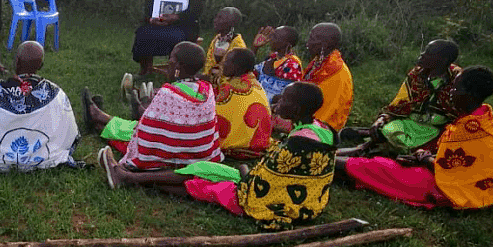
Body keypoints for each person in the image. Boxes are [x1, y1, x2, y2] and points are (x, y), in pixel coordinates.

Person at [100, 81, 337, 229]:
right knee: (200, 169)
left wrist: (244, 177)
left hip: (265, 204)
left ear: (295, 109)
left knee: (198, 182)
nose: (277, 102)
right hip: (309, 205)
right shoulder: (324, 131)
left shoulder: (297, 143)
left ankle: (129, 178)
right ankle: (132, 178)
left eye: (284, 100)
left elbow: (264, 184)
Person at [338, 66, 493, 210]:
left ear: (468, 94)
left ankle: (328, 160)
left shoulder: (471, 127)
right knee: (389, 165)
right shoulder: (484, 116)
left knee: (382, 169)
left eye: (455, 88)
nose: (451, 92)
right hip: (470, 181)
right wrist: (422, 156)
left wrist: (422, 157)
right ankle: (340, 158)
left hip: (450, 187)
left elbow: (449, 169)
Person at [85, 41, 223, 171]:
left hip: (174, 155)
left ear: (179, 66)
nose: (169, 61)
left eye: (172, 57)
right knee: (141, 126)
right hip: (200, 151)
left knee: (133, 134)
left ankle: (99, 121)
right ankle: (100, 116)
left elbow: (145, 131)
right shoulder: (207, 89)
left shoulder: (169, 93)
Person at [0, 41, 80, 171]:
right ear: (41, 65)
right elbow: (70, 131)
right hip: (46, 157)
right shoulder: (55, 93)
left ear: (17, 61)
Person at [340, 39, 461, 155]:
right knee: (391, 130)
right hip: (409, 123)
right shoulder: (417, 75)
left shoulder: (456, 79)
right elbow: (400, 103)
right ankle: (370, 140)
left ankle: (364, 144)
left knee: (414, 144)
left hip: (435, 129)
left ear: (443, 60)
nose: (422, 55)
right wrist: (382, 118)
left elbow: (459, 113)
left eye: (428, 53)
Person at [209, 47, 272, 159]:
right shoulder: (255, 84)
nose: (223, 64)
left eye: (227, 61)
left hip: (235, 144)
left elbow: (215, 116)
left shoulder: (230, 89)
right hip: (258, 141)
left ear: (237, 66)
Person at [301, 22, 353, 131]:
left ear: (325, 44)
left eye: (312, 38)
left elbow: (324, 116)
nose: (308, 43)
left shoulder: (337, 74)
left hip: (323, 130)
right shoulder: (319, 63)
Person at [251, 25, 303, 102]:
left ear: (286, 44)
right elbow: (248, 70)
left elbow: (287, 96)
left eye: (275, 37)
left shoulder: (292, 64)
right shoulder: (273, 57)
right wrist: (255, 47)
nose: (271, 39)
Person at [202, 6, 247, 80]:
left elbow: (235, 73)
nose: (215, 20)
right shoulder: (216, 40)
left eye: (220, 18)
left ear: (231, 22)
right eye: (216, 17)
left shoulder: (238, 45)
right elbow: (208, 65)